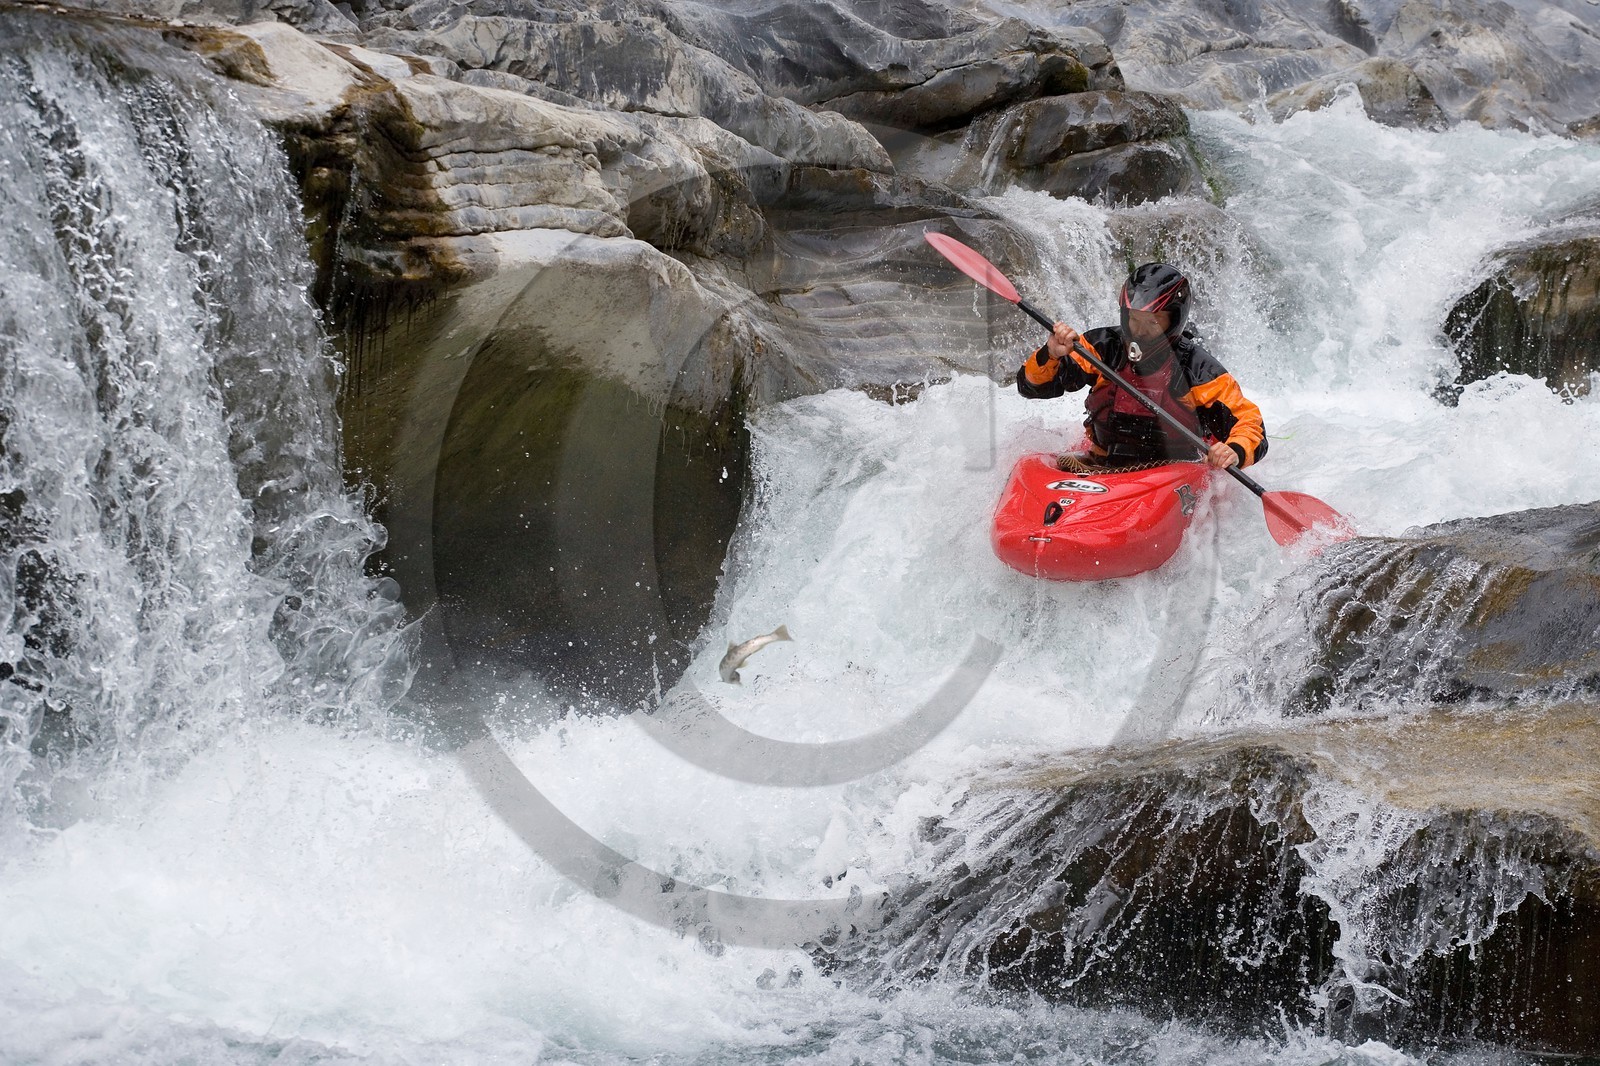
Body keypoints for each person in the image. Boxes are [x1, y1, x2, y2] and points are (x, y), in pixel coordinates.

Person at [1016, 263, 1266, 470]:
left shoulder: (1198, 369)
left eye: (1153, 323)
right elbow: (1032, 387)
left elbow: (1249, 422)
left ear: (1174, 321)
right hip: (1104, 461)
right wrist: (1051, 354)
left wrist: (1234, 450)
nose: (1140, 331)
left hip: (1172, 472)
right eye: (1135, 320)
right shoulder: (1101, 347)